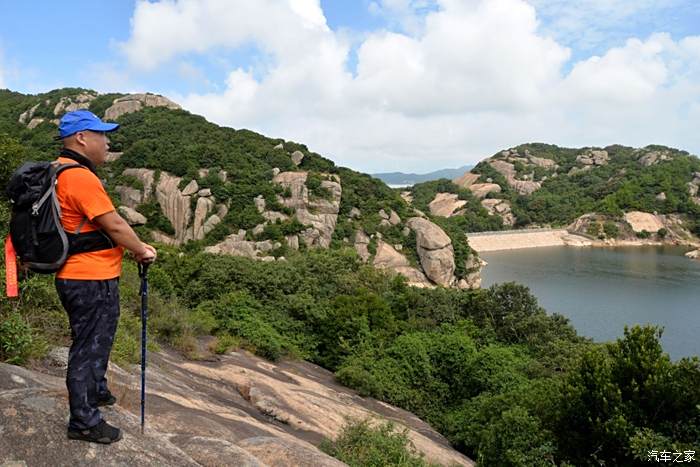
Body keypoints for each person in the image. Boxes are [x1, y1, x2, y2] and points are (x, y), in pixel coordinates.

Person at [53, 109, 156, 444]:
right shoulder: (79, 176)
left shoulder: (60, 170)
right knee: (87, 346)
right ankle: (83, 421)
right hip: (88, 278)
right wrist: (141, 250)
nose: (107, 141)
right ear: (82, 138)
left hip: (89, 276)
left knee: (100, 337)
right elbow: (113, 224)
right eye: (102, 135)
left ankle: (96, 389)